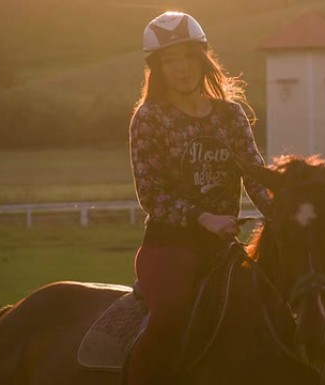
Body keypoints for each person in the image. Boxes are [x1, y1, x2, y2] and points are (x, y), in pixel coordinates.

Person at [125, 11, 272, 385]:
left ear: (202, 58)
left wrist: (284, 210)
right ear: (156, 68)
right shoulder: (150, 118)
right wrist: (203, 218)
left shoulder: (230, 115)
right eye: (169, 60)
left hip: (224, 249)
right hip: (169, 248)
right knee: (170, 316)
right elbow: (151, 195)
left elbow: (255, 175)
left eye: (188, 57)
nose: (181, 68)